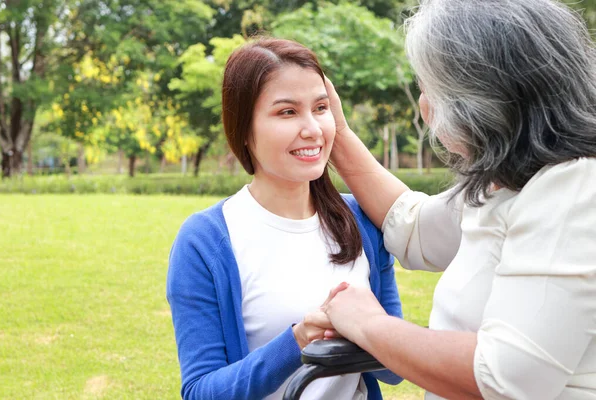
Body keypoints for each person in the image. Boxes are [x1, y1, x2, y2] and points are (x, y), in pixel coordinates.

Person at [321, 0, 596, 399]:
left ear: (477, 98)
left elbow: (505, 377)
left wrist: (367, 324)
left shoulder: (574, 188)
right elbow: (413, 228)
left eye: (428, 88)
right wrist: (338, 135)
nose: (424, 106)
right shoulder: (505, 182)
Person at [166, 38, 403, 400]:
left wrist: (369, 328)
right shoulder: (205, 240)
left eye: (320, 108)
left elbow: (395, 371)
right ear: (244, 130)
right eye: (287, 112)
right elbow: (201, 391)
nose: (312, 129)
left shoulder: (363, 219)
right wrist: (298, 341)